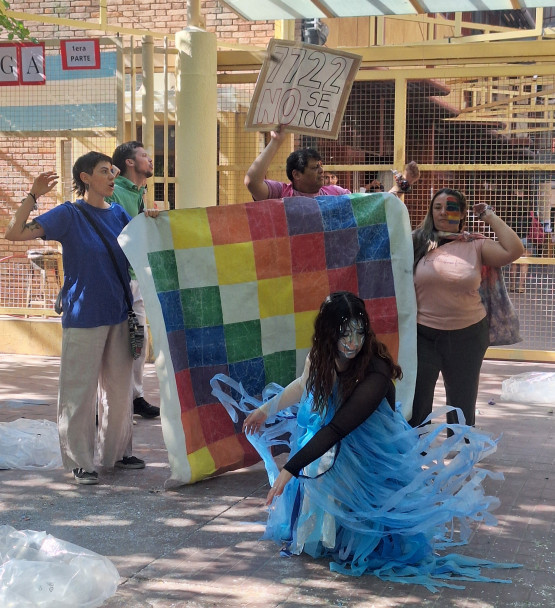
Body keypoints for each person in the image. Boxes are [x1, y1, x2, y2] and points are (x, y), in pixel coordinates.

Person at [213, 292, 519, 589]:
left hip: (371, 441)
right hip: (332, 433)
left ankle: (358, 540)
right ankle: (330, 537)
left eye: (359, 333)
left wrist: (289, 468)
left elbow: (338, 428)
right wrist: (267, 409)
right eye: (344, 334)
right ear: (328, 333)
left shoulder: (376, 369)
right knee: (323, 473)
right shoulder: (322, 352)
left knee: (362, 496)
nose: (353, 343)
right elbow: (308, 382)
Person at [5, 152, 148, 485]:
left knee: (119, 390)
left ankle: (117, 453)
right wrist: (33, 195)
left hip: (118, 312)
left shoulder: (119, 213)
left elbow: (141, 249)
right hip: (84, 314)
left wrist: (152, 222)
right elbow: (14, 233)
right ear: (85, 178)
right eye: (104, 172)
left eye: (113, 171)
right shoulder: (69, 214)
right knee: (78, 392)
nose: (112, 177)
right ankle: (80, 462)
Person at [409, 189, 524, 431]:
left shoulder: (475, 245)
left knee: (462, 404)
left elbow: (514, 250)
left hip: (467, 336)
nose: (442, 212)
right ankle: (414, 458)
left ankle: (462, 453)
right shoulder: (418, 241)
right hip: (423, 336)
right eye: (437, 206)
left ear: (462, 214)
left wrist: (489, 216)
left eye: (450, 207)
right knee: (417, 403)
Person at [108, 141, 160, 419]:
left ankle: (135, 396)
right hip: (115, 280)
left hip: (135, 277)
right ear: (129, 162)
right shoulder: (114, 190)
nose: (150, 160)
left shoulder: (140, 193)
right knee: (114, 342)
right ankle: (104, 403)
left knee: (138, 338)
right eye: (144, 156)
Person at [244, 126, 350, 200]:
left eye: (320, 166)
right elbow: (252, 182)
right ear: (296, 174)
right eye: (315, 167)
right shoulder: (280, 193)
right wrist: (275, 141)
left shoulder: (337, 193)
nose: (321, 171)